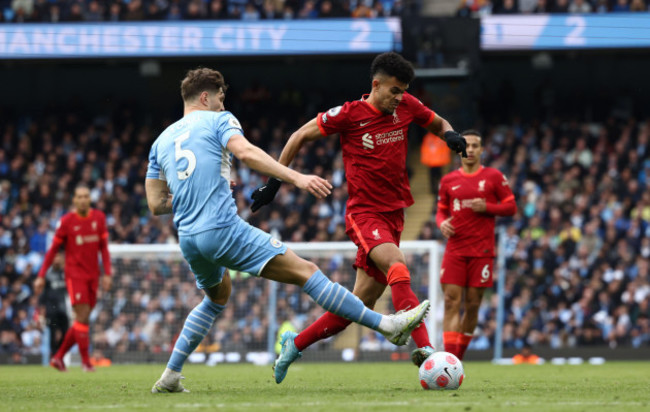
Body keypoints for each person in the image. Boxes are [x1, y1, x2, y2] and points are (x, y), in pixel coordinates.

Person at [145, 67, 430, 393]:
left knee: (216, 298)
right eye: (221, 99)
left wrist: (190, 193)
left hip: (189, 239)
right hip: (222, 228)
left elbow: (156, 203)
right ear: (206, 97)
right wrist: (296, 178)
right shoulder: (219, 120)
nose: (223, 105)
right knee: (306, 271)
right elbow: (246, 152)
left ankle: (170, 375)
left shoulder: (161, 141)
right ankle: (387, 325)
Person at [250, 51, 468, 384]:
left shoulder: (408, 105)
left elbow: (438, 123)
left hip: (396, 213)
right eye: (394, 90)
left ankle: (294, 343)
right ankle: (427, 350)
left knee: (358, 305)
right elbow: (298, 136)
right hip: (365, 213)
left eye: (404, 91)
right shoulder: (349, 114)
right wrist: (274, 183)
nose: (400, 97)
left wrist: (449, 135)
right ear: (376, 84)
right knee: (397, 264)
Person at [436, 130, 516, 360]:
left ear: (481, 150)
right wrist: (442, 224)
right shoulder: (448, 180)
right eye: (466, 145)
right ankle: (449, 360)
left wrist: (488, 207)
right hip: (455, 250)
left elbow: (511, 207)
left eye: (474, 146)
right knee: (451, 301)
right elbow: (441, 211)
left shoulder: (494, 177)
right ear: (459, 149)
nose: (469, 149)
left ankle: (457, 357)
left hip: (482, 252)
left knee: (472, 305)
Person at [34, 185, 112, 372]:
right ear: (74, 200)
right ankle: (86, 363)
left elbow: (104, 249)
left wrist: (107, 273)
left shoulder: (99, 218)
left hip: (94, 275)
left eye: (86, 196)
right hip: (75, 275)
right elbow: (53, 250)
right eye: (79, 196)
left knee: (82, 320)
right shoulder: (67, 221)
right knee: (82, 316)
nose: (83, 199)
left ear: (89, 199)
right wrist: (41, 275)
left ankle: (59, 358)